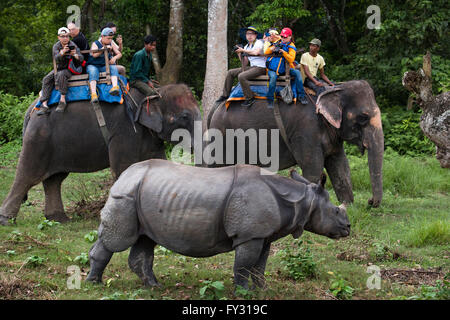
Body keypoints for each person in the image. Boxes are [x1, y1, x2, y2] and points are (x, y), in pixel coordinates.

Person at [37, 27, 84, 115]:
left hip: (70, 68)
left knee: (61, 75)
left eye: (67, 36)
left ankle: (62, 100)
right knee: (46, 79)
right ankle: (44, 105)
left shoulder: (73, 44)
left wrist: (75, 55)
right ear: (59, 37)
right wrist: (62, 52)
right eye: (63, 36)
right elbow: (56, 58)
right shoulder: (56, 46)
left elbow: (81, 58)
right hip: (59, 67)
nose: (65, 38)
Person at [217, 26, 266, 108]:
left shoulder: (259, 43)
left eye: (252, 34)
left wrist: (242, 50)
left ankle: (249, 98)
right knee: (230, 72)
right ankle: (225, 95)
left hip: (261, 68)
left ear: (255, 35)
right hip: (252, 67)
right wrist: (239, 53)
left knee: (241, 76)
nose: (249, 36)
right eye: (248, 34)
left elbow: (256, 53)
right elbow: (245, 63)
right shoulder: (247, 46)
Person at [264, 27, 307, 108]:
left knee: (297, 73)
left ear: (290, 37)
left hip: (285, 68)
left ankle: (301, 95)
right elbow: (266, 52)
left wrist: (284, 53)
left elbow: (291, 59)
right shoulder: (278, 41)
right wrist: (272, 48)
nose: (283, 38)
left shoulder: (291, 45)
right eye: (282, 36)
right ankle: (270, 99)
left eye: (285, 37)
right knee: (273, 78)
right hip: (273, 69)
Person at [87, 27, 122, 103]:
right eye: (108, 38)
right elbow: (94, 55)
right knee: (93, 71)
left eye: (111, 38)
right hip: (93, 65)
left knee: (112, 67)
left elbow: (119, 54)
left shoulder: (111, 43)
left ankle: (115, 87)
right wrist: (103, 49)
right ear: (102, 36)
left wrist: (114, 58)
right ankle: (93, 94)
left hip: (103, 66)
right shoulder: (95, 43)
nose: (110, 40)